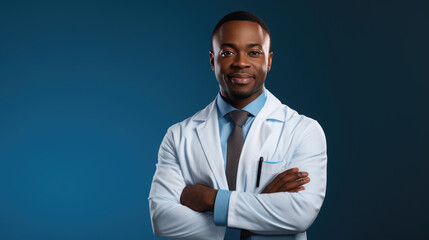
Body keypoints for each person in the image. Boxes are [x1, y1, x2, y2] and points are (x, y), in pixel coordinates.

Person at [148, 11, 327, 240]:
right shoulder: (178, 136)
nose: (241, 62)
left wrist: (210, 199)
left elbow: (299, 213)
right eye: (228, 52)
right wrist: (252, 216)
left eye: (254, 52)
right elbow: (163, 219)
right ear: (213, 60)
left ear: (269, 61)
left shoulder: (304, 130)